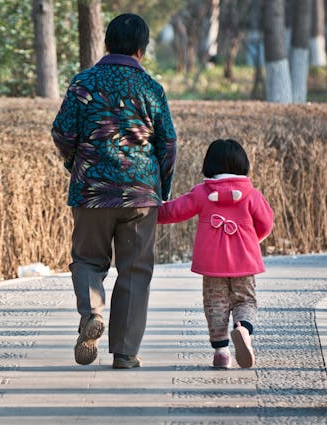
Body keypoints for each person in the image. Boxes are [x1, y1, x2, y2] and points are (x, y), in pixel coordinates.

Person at [51, 13, 177, 369]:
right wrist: (159, 189)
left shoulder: (84, 83)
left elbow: (62, 133)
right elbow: (167, 143)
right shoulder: (151, 88)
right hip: (140, 194)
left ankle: (93, 311)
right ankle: (125, 353)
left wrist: (76, 162)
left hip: (92, 191)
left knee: (89, 260)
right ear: (142, 48)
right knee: (135, 271)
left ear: (106, 44)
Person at [157, 139, 274, 368]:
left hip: (212, 263)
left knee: (215, 304)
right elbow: (266, 223)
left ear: (208, 165)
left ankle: (221, 351)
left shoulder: (202, 193)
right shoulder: (251, 194)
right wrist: (252, 241)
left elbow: (173, 212)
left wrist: (151, 206)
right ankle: (243, 330)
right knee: (245, 300)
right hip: (244, 261)